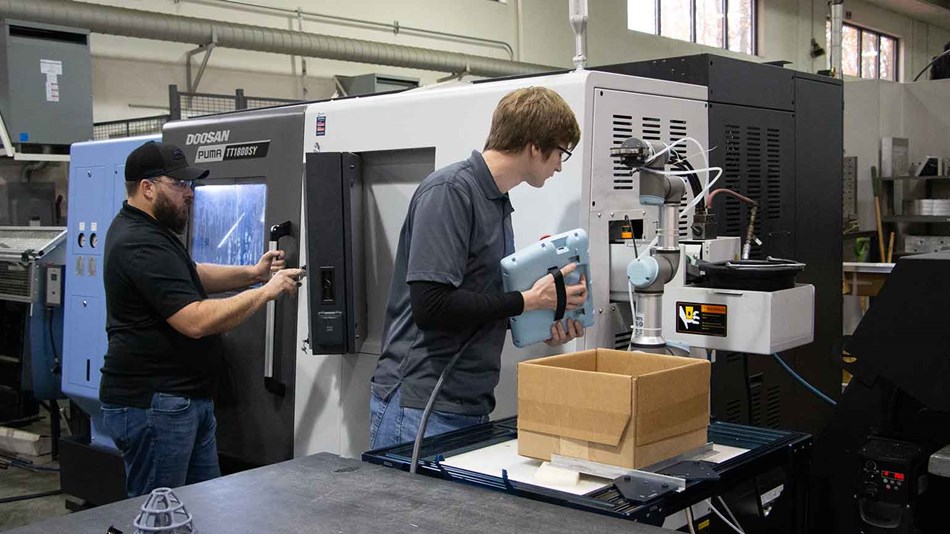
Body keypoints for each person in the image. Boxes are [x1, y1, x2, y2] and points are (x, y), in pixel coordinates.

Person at [369, 86, 588, 449]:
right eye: (560, 153)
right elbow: (432, 306)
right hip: (422, 404)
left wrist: (541, 324)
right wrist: (528, 301)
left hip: (466, 403)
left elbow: (480, 302)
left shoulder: (497, 202)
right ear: (535, 147)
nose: (559, 166)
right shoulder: (450, 191)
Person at [99, 140, 303, 497]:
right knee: (161, 513)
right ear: (147, 188)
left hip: (182, 401)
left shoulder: (152, 232)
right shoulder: (138, 241)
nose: (189, 193)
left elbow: (191, 274)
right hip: (156, 405)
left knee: (203, 507)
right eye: (179, 184)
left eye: (189, 184)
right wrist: (266, 292)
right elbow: (194, 321)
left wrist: (254, 274)